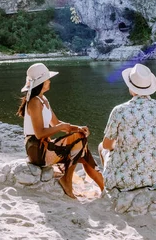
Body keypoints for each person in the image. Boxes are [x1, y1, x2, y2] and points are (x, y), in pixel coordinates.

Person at [17, 62, 104, 198]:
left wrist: (77, 128)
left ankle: (104, 187)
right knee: (80, 140)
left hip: (45, 146)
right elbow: (39, 133)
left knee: (83, 146)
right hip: (36, 149)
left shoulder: (43, 99)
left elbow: (56, 123)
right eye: (47, 79)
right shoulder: (34, 102)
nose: (49, 81)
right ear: (41, 82)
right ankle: (67, 180)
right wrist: (63, 128)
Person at [99, 63, 156, 193]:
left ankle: (107, 185)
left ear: (130, 86)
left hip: (124, 180)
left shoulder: (119, 111)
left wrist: (123, 145)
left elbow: (107, 145)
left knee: (101, 147)